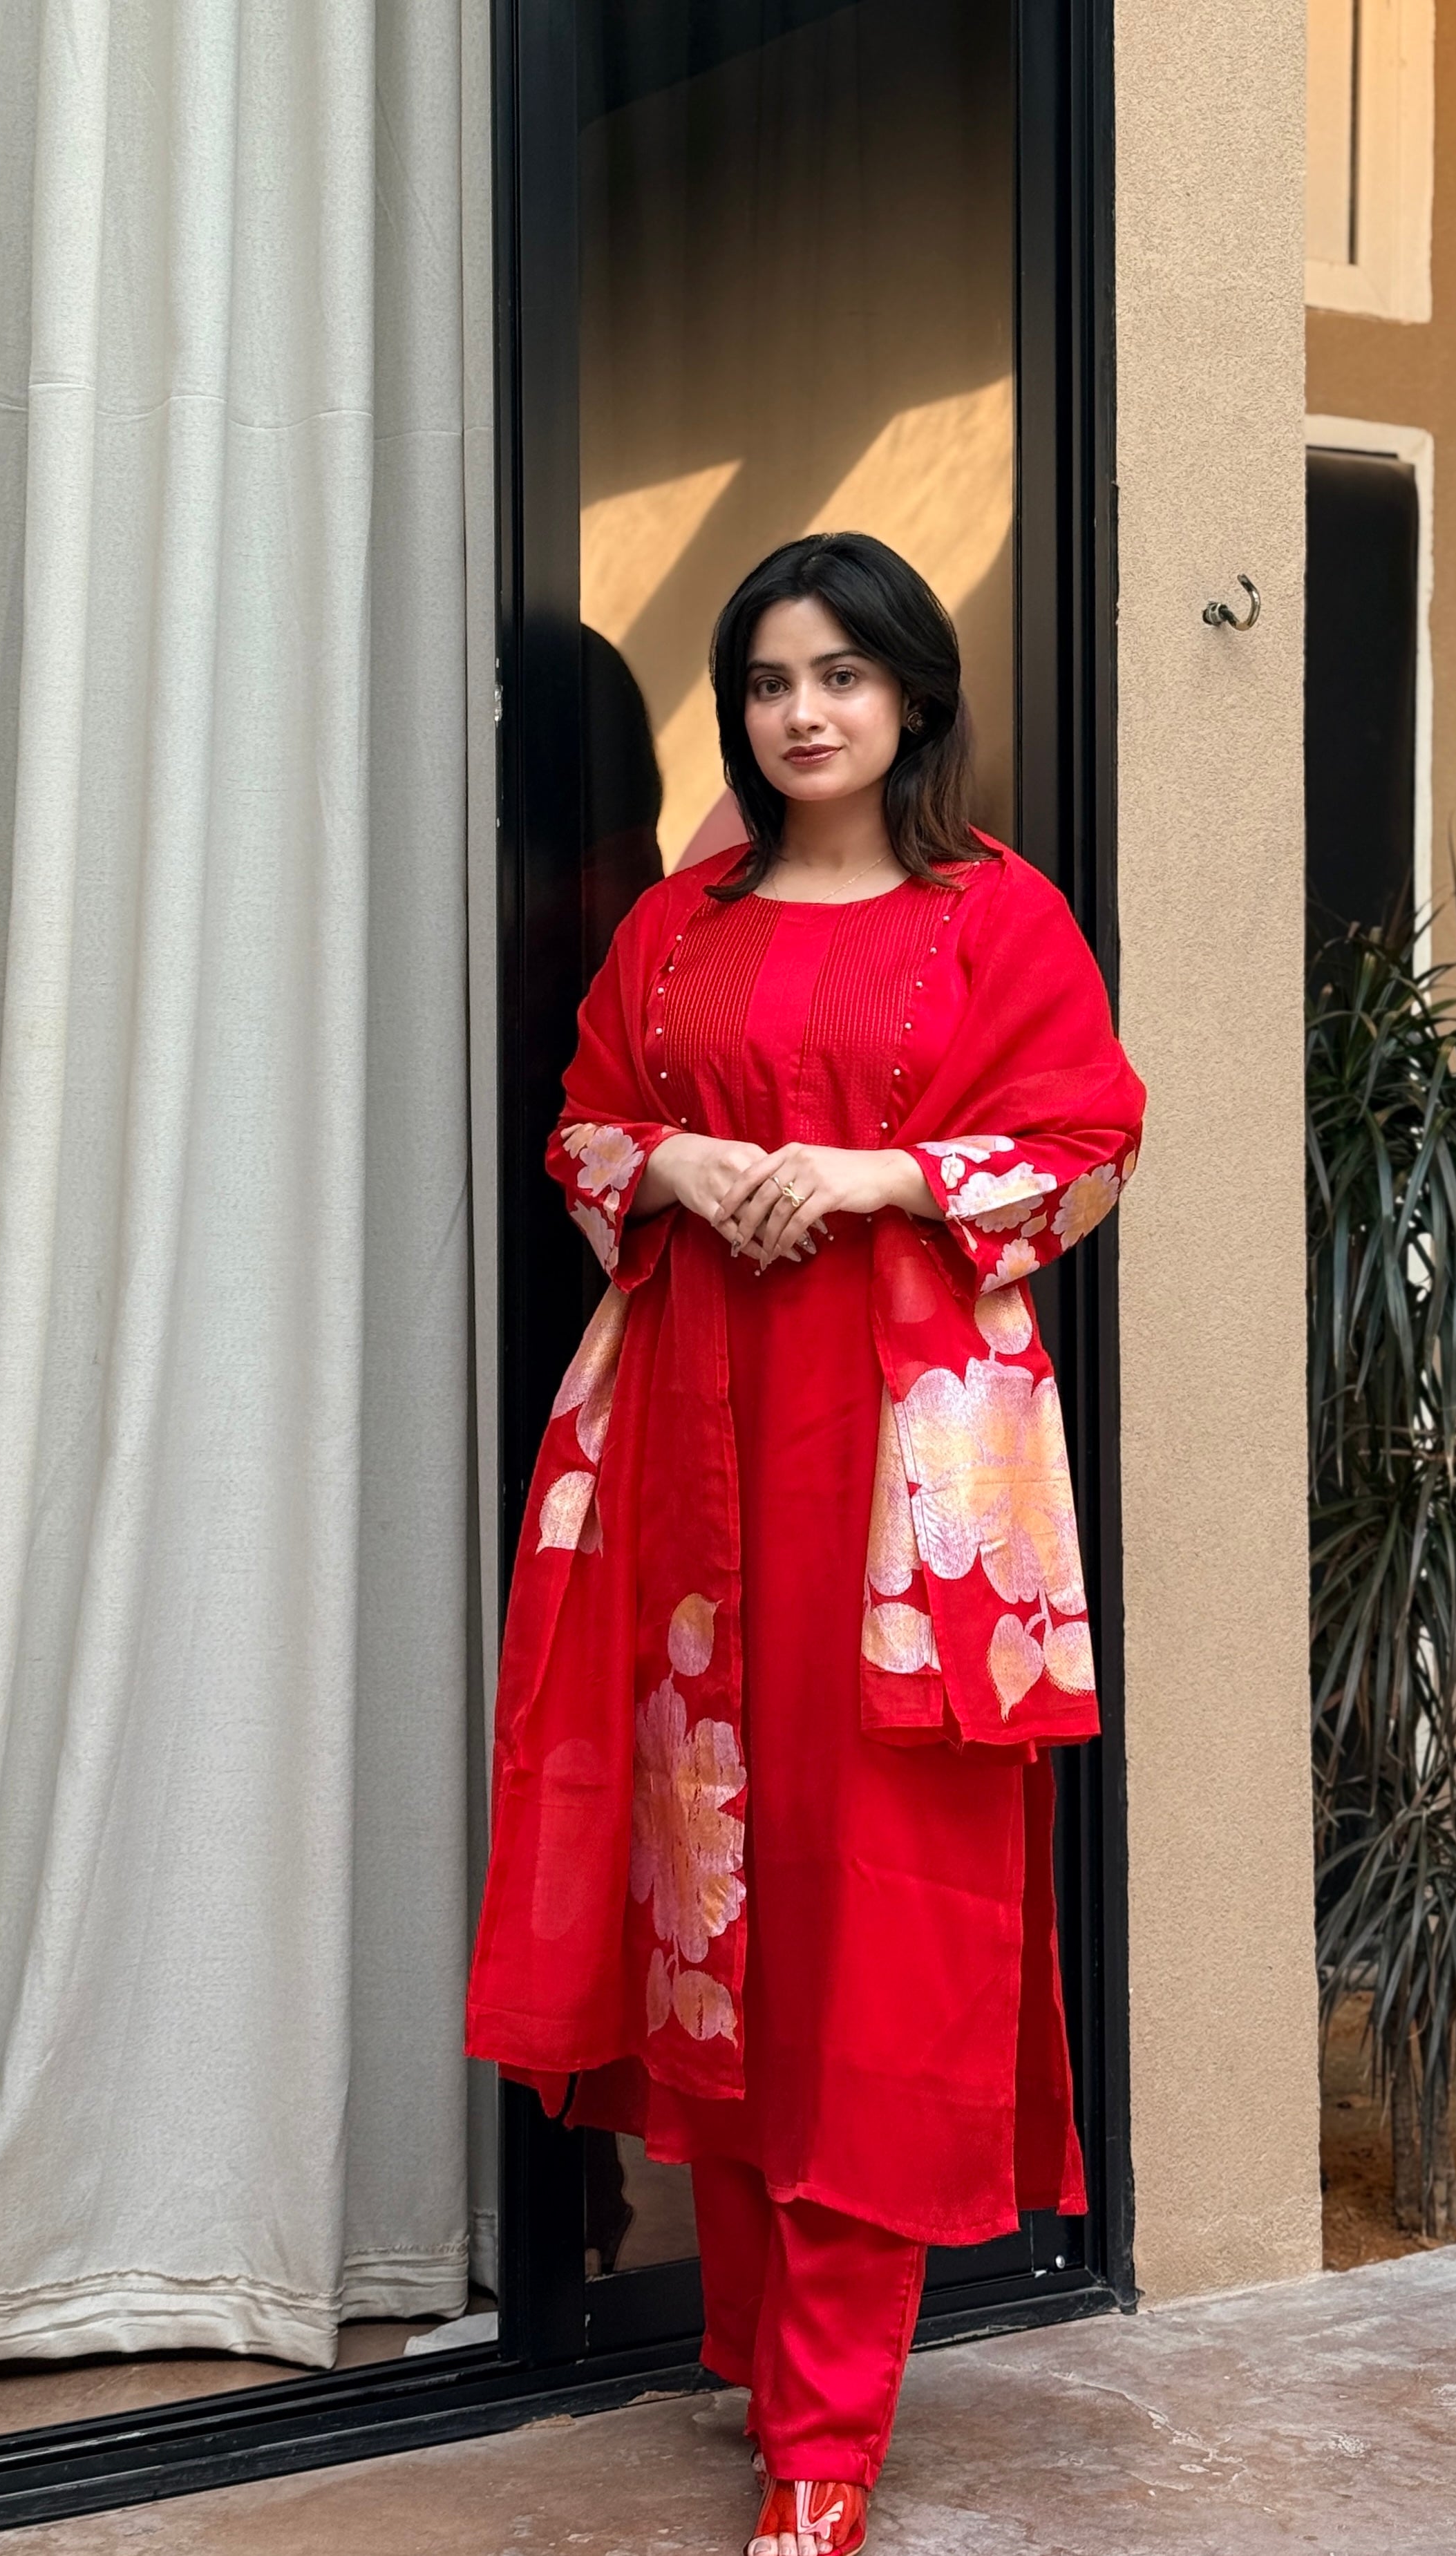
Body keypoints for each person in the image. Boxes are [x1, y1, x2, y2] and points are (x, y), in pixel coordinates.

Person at [467, 531, 1146, 2556]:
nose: (803, 711)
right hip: (694, 1456)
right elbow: (587, 1126)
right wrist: (682, 1159)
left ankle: (829, 2437)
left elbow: (1089, 1138)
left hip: (900, 1480)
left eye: (842, 673)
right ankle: (772, 2364)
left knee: (877, 1918)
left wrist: (869, 1177)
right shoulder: (675, 924)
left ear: (913, 695)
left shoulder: (995, 910)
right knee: (722, 1896)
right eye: (768, 680)